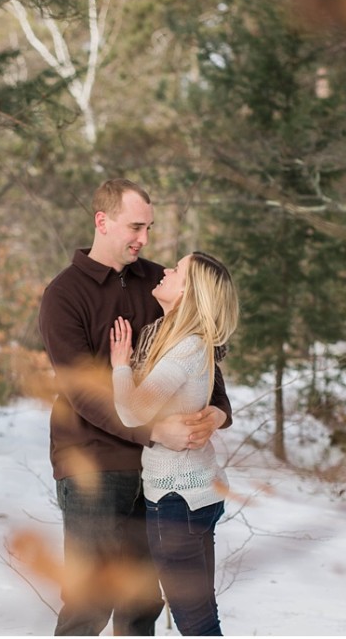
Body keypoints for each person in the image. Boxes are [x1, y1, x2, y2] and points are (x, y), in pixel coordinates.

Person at [38, 178, 233, 636]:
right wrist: (153, 432)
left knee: (141, 605)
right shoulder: (64, 296)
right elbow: (84, 392)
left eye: (149, 228)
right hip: (93, 466)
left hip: (159, 475)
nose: (144, 240)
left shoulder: (161, 281)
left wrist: (218, 410)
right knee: (89, 605)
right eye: (135, 227)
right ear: (102, 222)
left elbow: (203, 351)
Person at [109, 251, 239, 637]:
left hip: (176, 502)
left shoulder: (184, 348)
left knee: (196, 624)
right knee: (203, 619)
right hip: (197, 496)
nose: (166, 270)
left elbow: (131, 412)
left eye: (177, 270)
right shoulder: (191, 343)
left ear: (189, 291)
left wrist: (120, 364)